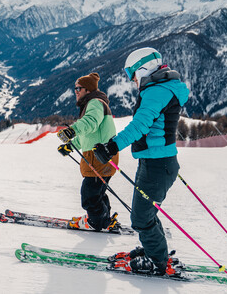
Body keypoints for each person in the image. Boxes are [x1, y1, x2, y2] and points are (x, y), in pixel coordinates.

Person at [93, 47, 189, 276]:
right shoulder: (161, 89)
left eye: (133, 74)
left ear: (143, 69)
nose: (132, 80)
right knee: (145, 213)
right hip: (155, 162)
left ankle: (157, 261)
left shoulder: (157, 92)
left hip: (158, 164)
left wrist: (112, 146)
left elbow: (140, 125)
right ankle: (154, 250)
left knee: (141, 216)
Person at [57, 72, 119, 232]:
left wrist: (72, 130)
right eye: (75, 88)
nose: (76, 91)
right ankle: (103, 220)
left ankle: (95, 222)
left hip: (99, 157)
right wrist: (70, 146)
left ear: (89, 90)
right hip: (98, 157)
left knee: (90, 196)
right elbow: (88, 135)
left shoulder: (95, 103)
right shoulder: (93, 103)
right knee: (97, 192)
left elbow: (91, 122)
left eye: (79, 88)